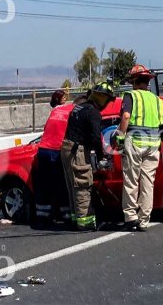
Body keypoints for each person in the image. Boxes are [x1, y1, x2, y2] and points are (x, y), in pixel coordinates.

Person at [116, 64, 163, 232]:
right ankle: (144, 220)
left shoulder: (131, 96)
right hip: (153, 144)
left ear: (135, 81)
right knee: (147, 183)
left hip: (135, 141)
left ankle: (131, 217)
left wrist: (120, 136)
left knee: (131, 180)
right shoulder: (158, 100)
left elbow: (126, 116)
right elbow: (162, 122)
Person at [61, 83, 115, 231]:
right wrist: (101, 157)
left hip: (67, 148)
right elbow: (96, 137)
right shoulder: (93, 112)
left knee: (73, 186)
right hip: (77, 150)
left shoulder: (79, 107)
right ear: (103, 99)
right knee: (83, 186)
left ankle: (76, 219)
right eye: (107, 100)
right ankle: (85, 223)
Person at [34, 94, 88, 226]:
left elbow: (46, 128)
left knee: (44, 184)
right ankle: (66, 215)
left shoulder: (57, 110)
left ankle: (42, 216)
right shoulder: (76, 113)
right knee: (63, 183)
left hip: (43, 149)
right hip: (57, 150)